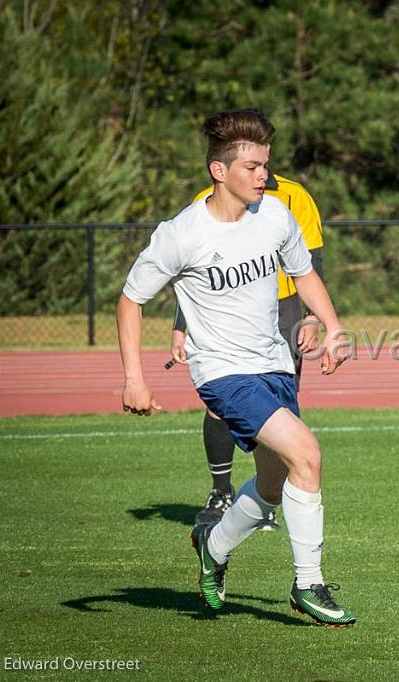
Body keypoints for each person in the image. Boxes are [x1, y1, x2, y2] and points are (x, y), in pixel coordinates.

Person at [117, 108, 356, 627]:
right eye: (250, 166)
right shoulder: (181, 233)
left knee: (274, 485)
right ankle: (308, 583)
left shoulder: (274, 215)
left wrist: (332, 324)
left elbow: (304, 271)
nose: (262, 175)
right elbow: (131, 299)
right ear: (218, 170)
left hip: (274, 363)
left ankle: (212, 545)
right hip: (222, 373)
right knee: (308, 455)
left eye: (265, 164)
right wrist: (134, 378)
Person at [174, 171, 326, 533]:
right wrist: (181, 326)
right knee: (219, 404)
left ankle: (267, 495)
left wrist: (312, 317)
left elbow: (312, 260)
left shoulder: (294, 195)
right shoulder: (203, 201)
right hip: (223, 311)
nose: (259, 166)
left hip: (285, 306)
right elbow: (189, 271)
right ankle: (220, 492)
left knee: (275, 406)